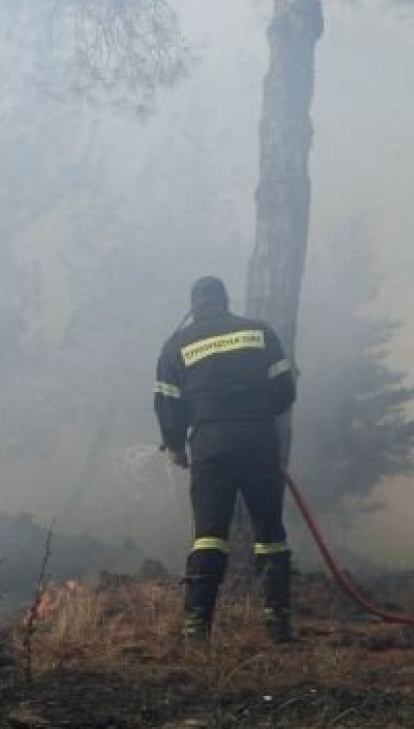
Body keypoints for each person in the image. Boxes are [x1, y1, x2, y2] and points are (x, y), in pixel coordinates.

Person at [154, 276, 298, 644]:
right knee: (270, 532)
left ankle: (196, 627)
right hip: (259, 442)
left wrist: (176, 446)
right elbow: (285, 390)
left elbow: (168, 404)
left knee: (209, 536)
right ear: (225, 301)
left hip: (210, 448)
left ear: (194, 306)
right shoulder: (259, 332)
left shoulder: (176, 345)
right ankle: (278, 624)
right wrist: (258, 417)